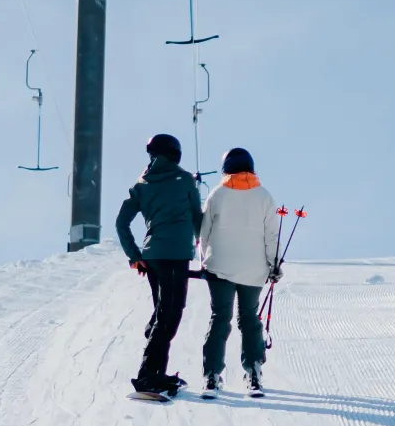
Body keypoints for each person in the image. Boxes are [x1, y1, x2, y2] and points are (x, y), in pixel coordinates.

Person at [115, 133, 203, 396]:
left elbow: (121, 223)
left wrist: (134, 256)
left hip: (152, 256)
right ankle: (146, 376)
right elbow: (198, 220)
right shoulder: (186, 179)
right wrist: (207, 254)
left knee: (164, 312)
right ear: (175, 153)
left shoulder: (142, 184)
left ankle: (156, 370)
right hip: (176, 255)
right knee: (171, 315)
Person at [197, 147, 281, 398]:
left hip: (220, 267)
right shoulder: (264, 196)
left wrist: (204, 262)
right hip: (253, 269)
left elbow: (204, 233)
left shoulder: (217, 194)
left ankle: (211, 375)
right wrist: (273, 264)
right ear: (251, 168)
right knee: (249, 319)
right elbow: (271, 235)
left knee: (220, 317)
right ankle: (254, 372)